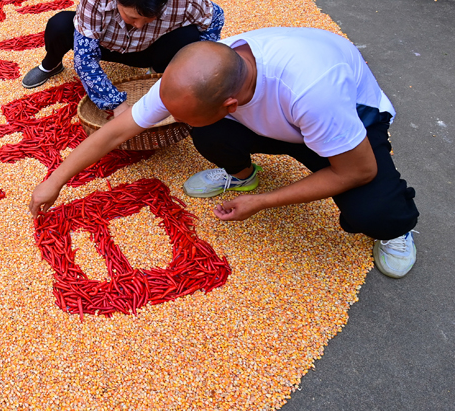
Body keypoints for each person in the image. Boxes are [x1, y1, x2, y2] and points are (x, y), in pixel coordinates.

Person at [28, 27, 419, 279]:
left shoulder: (312, 92)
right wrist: (55, 180)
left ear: (232, 104)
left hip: (348, 126)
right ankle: (241, 171)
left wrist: (263, 202)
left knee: (373, 211)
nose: (172, 117)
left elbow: (357, 170)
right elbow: (117, 131)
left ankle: (398, 228)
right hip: (278, 118)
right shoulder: (199, 74)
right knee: (205, 131)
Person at [21, 0, 225, 114]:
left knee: (189, 36)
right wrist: (116, 105)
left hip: (148, 49)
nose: (138, 25)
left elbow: (214, 18)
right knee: (60, 24)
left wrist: (192, 68)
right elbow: (85, 57)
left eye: (148, 19)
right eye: (131, 17)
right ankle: (51, 65)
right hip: (104, 44)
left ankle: (154, 75)